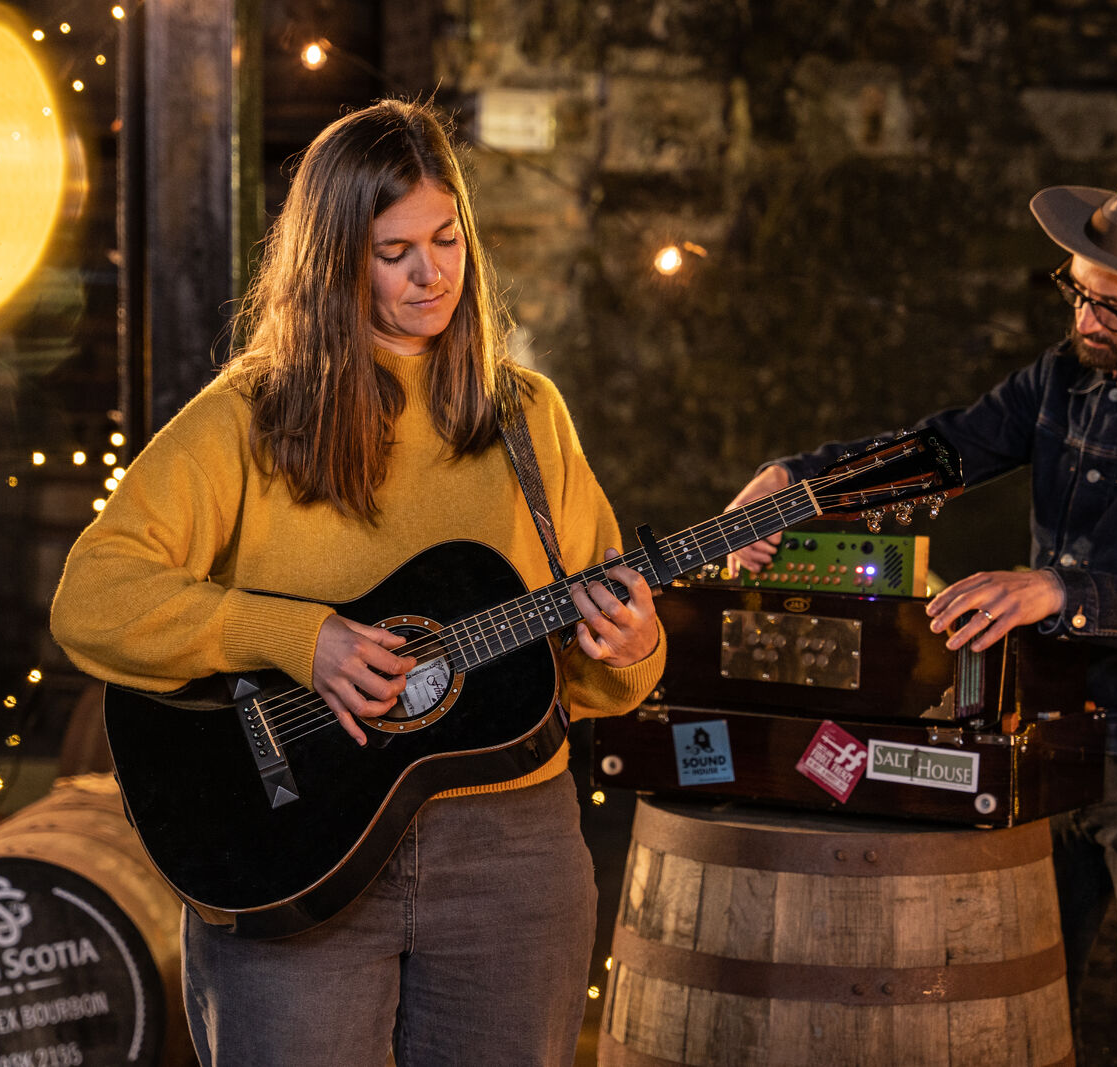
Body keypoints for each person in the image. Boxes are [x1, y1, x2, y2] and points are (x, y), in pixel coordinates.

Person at [49, 99, 665, 1066]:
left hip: (510, 858)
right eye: (394, 252)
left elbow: (591, 679)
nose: (433, 274)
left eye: (447, 238)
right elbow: (92, 598)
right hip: (297, 841)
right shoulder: (249, 416)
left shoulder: (526, 415)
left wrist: (633, 647)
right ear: (334, 259)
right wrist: (302, 640)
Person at [727, 159, 1117, 1065]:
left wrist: (1060, 591)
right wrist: (798, 483)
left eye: (1112, 305)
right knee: (1025, 1006)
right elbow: (942, 450)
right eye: (1077, 292)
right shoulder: (1063, 378)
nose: (1085, 319)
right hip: (1052, 733)